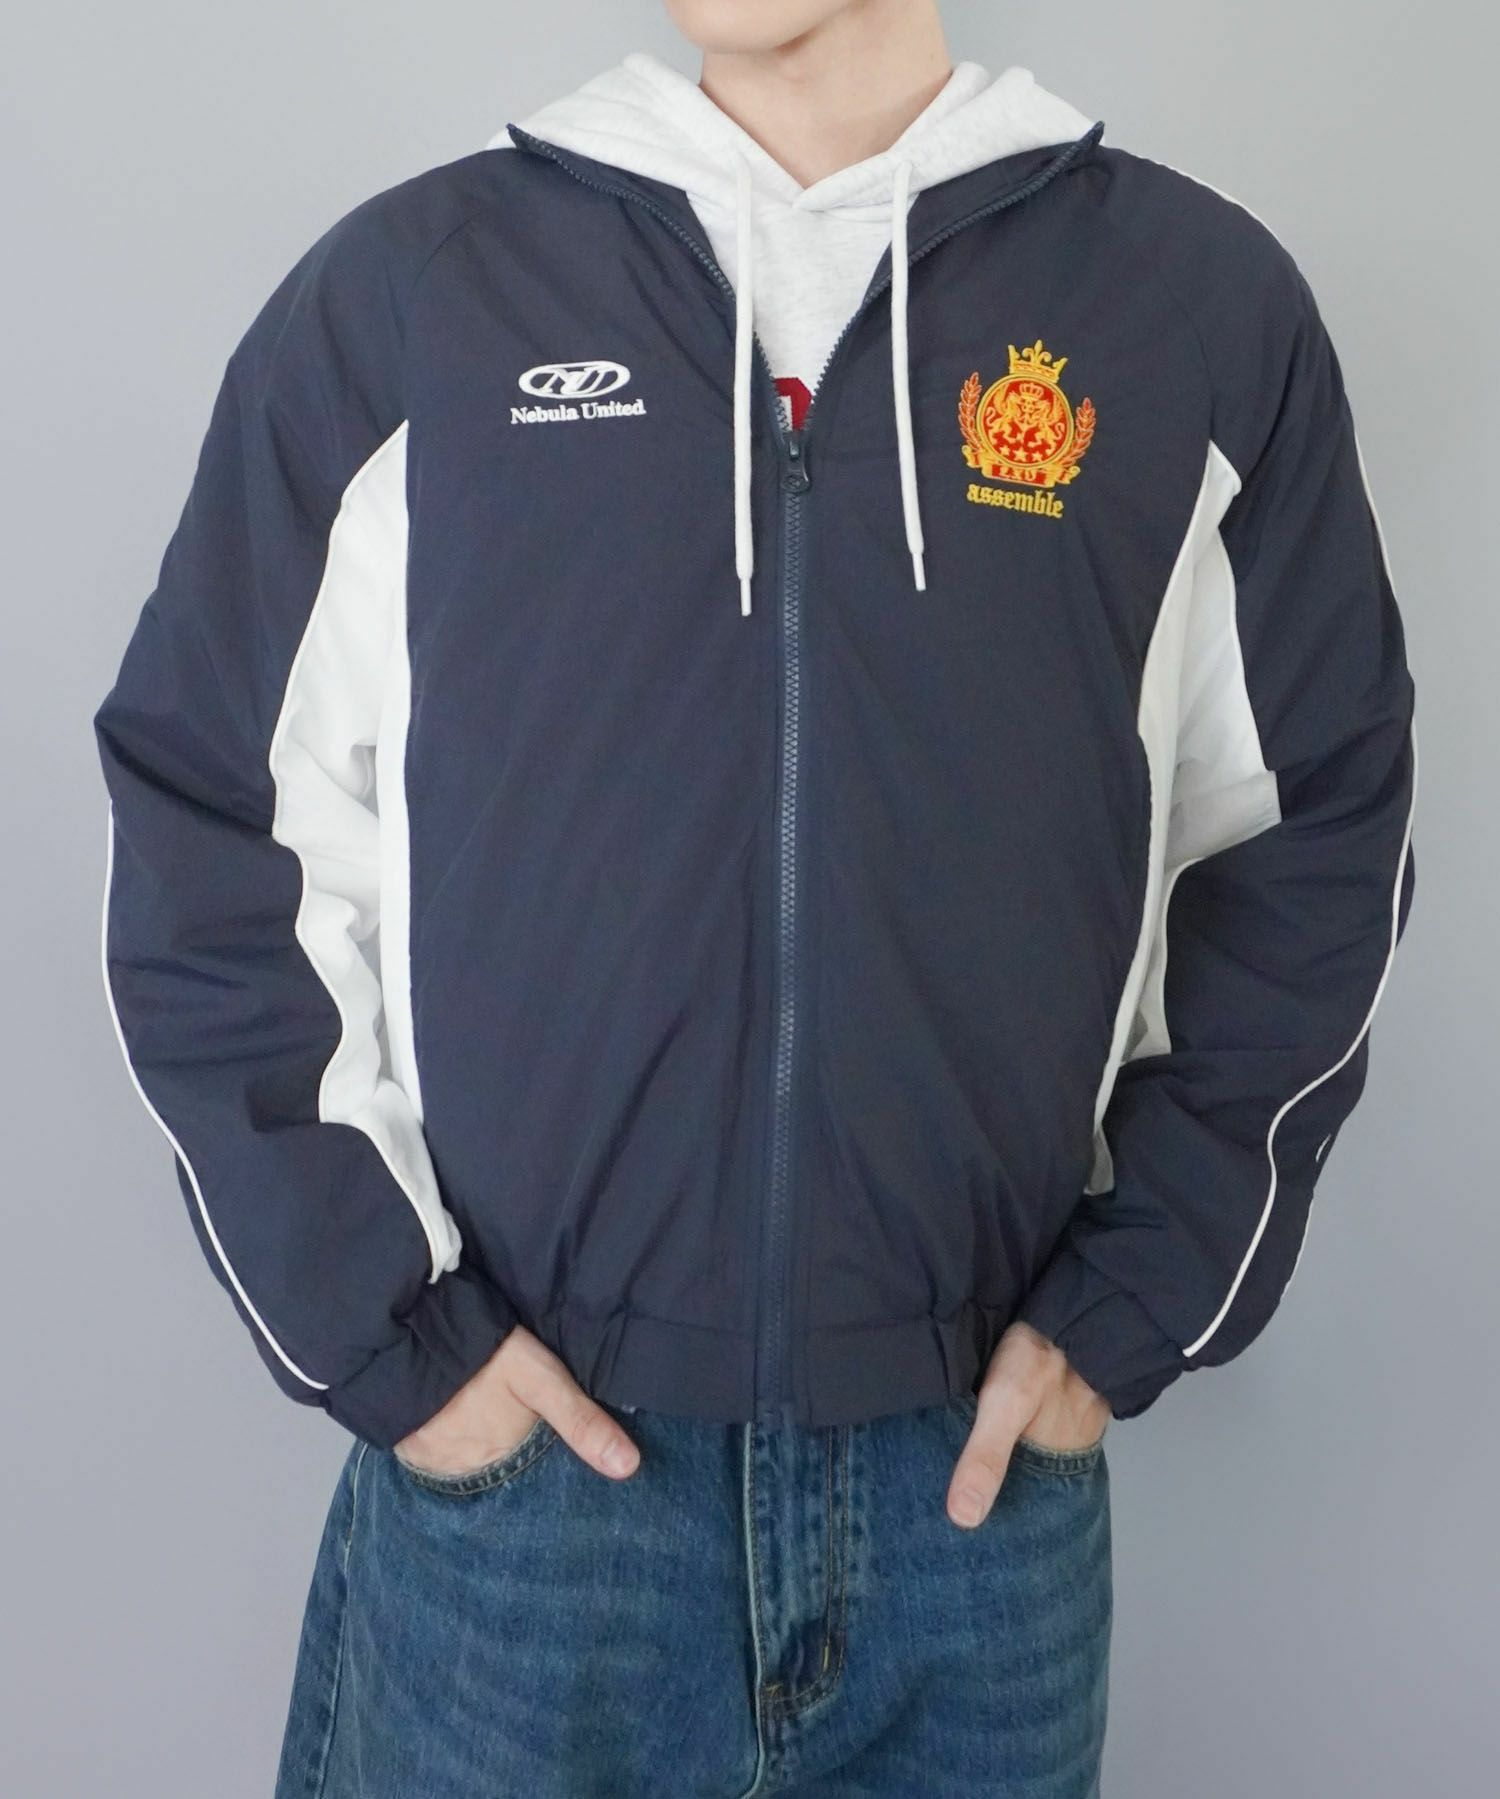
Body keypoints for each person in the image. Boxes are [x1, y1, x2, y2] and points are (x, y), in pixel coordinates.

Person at [93, 0, 1417, 1792]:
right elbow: (215, 815)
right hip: (535, 1507)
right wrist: (394, 1343)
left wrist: (1140, 1298)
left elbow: (1309, 829)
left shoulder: (1187, 308)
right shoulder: (421, 298)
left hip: (976, 1508)